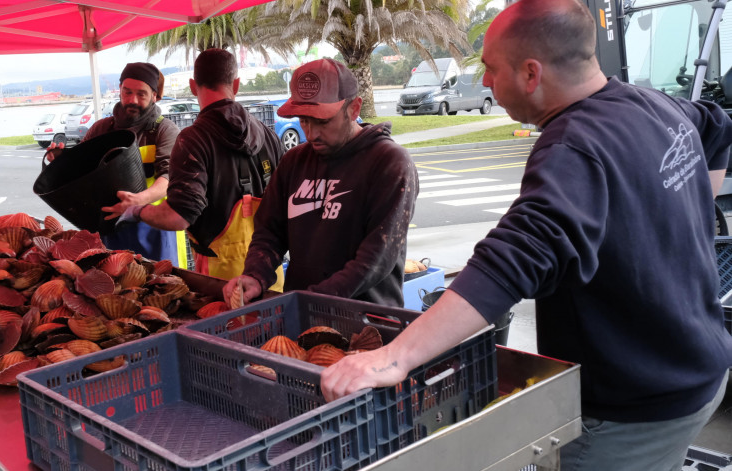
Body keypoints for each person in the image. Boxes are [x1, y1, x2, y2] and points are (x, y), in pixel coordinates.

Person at [321, 1, 732, 470]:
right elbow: (718, 127)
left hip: (634, 408)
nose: (488, 82)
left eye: (492, 70)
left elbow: (508, 261)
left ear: (531, 73)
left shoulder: (572, 148)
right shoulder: (651, 103)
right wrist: (692, 209)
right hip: (703, 369)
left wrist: (393, 358)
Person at [221, 58, 418, 307]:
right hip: (303, 313)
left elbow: (376, 258)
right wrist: (256, 275)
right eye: (304, 120)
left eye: (323, 122)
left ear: (354, 109)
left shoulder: (390, 163)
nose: (311, 134)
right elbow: (269, 232)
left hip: (369, 321)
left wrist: (309, 300)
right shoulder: (294, 162)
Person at [110, 48, 286, 290]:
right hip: (268, 274)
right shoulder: (267, 133)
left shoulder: (192, 139)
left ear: (193, 86)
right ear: (236, 84)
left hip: (222, 283)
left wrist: (137, 211)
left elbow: (178, 216)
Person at [51, 62, 187, 266]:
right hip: (109, 230)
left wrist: (137, 201)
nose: (132, 100)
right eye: (127, 92)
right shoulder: (100, 129)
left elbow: (168, 178)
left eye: (141, 94)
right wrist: (60, 159)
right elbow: (80, 170)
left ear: (155, 96)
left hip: (155, 231)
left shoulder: (164, 131)